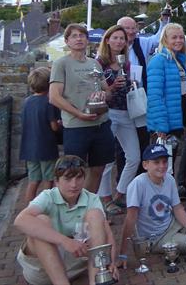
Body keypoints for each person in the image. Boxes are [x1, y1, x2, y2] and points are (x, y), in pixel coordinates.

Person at [14, 155, 118, 285]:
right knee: (40, 220)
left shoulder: (91, 199)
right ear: (57, 181)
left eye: (79, 178)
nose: (74, 184)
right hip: (42, 268)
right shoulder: (48, 196)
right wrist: (65, 241)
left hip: (75, 265)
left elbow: (107, 235)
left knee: (96, 215)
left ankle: (96, 280)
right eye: (68, 179)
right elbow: (20, 220)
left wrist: (112, 262)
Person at [119, 144, 186, 266]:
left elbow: (177, 207)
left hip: (173, 223)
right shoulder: (137, 184)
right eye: (156, 162)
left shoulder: (169, 179)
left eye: (164, 161)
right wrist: (122, 254)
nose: (162, 166)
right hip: (156, 238)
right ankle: (183, 240)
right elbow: (130, 220)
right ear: (145, 165)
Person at [49, 24, 115, 193]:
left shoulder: (95, 63)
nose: (79, 39)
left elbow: (107, 92)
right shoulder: (61, 63)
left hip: (101, 124)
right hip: (76, 126)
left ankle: (88, 207)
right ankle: (72, 209)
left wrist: (103, 96)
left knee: (98, 169)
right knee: (74, 173)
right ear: (67, 41)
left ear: (87, 40)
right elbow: (54, 97)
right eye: (74, 36)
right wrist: (79, 114)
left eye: (82, 35)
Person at [96, 25, 140, 214]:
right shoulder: (99, 63)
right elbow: (98, 90)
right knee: (107, 160)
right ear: (107, 40)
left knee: (134, 157)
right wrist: (112, 87)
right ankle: (104, 198)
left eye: (122, 38)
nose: (119, 41)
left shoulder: (127, 63)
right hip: (108, 112)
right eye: (115, 38)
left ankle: (119, 195)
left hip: (127, 112)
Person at [117, 15, 169, 172]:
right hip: (119, 101)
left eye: (134, 28)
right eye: (127, 28)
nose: (131, 31)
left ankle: (140, 175)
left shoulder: (142, 43)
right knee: (121, 145)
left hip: (139, 98)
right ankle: (122, 179)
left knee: (142, 137)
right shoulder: (113, 46)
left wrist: (164, 21)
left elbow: (159, 38)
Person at [146, 23, 186, 177]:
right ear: (165, 39)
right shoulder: (159, 60)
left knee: (169, 165)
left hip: (177, 119)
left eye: (181, 37)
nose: (178, 40)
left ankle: (168, 197)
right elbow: (155, 96)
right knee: (159, 166)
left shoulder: (180, 60)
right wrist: (160, 126)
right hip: (164, 124)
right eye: (174, 37)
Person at [21, 67, 60, 203]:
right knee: (49, 179)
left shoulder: (27, 102)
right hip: (46, 146)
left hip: (29, 147)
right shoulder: (49, 102)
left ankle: (29, 208)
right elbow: (54, 126)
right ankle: (45, 206)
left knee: (33, 179)